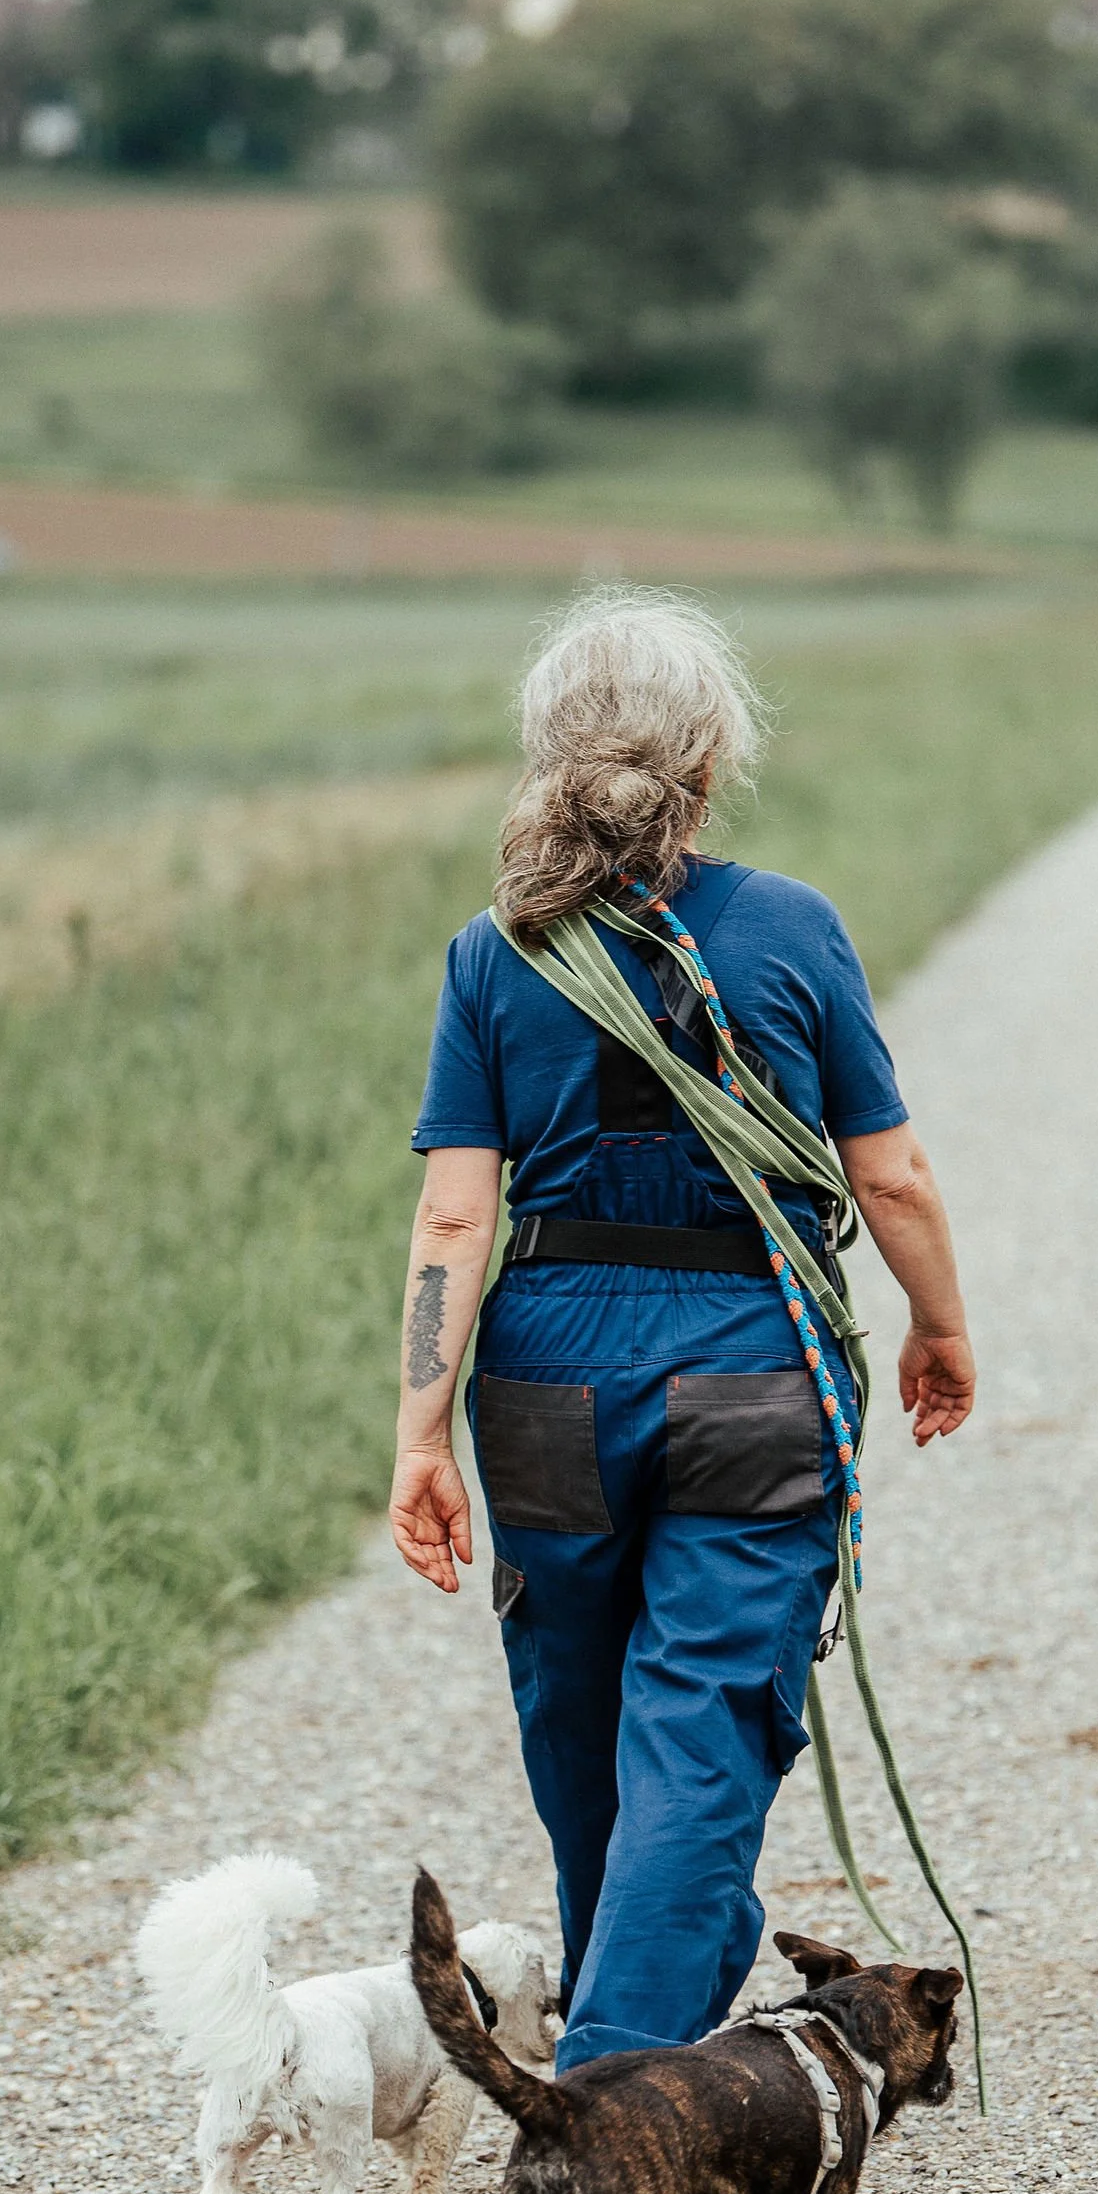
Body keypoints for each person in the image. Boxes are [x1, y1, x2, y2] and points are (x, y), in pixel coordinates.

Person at [389, 590, 975, 2072]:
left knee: (581, 1723)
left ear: (549, 760)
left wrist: (415, 1434)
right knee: (703, 1731)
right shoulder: (790, 927)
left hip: (542, 1374)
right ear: (708, 764)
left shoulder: (494, 953)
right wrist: (938, 1327)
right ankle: (620, 2081)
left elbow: (456, 1223)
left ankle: (637, 2003)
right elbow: (889, 1172)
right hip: (750, 1354)